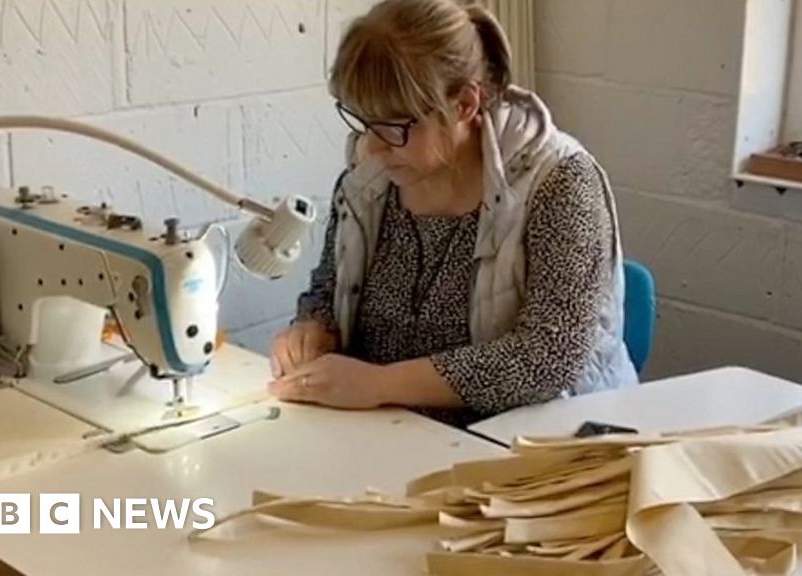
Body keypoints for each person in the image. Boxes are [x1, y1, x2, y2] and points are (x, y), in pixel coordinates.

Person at [267, 0, 637, 427]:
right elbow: (328, 288)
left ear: (464, 104)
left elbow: (546, 358)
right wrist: (313, 329)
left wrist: (378, 385)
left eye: (395, 126)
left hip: (528, 448)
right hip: (387, 435)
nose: (371, 146)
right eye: (364, 121)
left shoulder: (560, 182)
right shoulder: (368, 179)